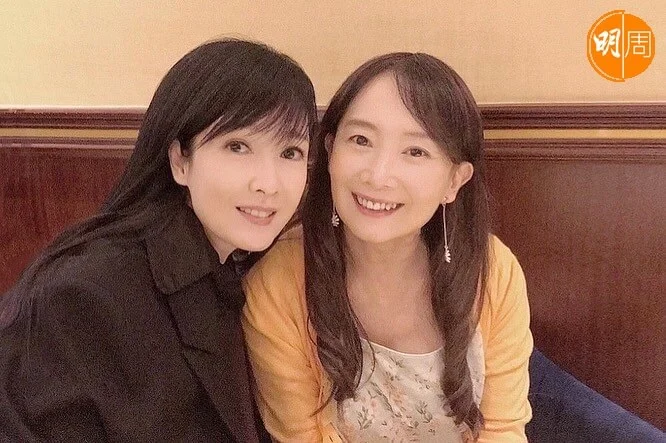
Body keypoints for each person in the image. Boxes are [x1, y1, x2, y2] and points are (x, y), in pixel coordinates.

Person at [0, 38, 317, 442]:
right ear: (180, 160)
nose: (268, 184)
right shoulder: (86, 294)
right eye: (237, 147)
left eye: (290, 152)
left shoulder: (250, 268)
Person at [242, 52, 533, 442]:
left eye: (415, 151)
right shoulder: (278, 284)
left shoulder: (494, 271)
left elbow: (501, 431)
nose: (378, 176)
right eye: (361, 140)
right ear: (330, 152)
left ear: (454, 181)